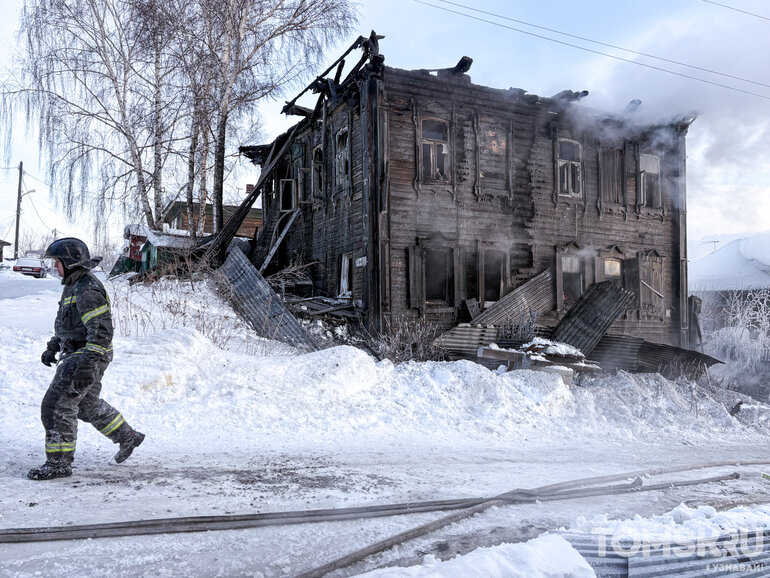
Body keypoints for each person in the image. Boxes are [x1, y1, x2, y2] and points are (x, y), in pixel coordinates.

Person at [28, 237, 145, 480]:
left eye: (57, 262)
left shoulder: (87, 289)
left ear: (70, 262)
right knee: (84, 404)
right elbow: (69, 324)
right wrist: (54, 345)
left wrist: (88, 364)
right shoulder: (73, 284)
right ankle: (127, 436)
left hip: (87, 354)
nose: (54, 267)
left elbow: (100, 331)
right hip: (80, 352)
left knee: (56, 406)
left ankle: (59, 463)